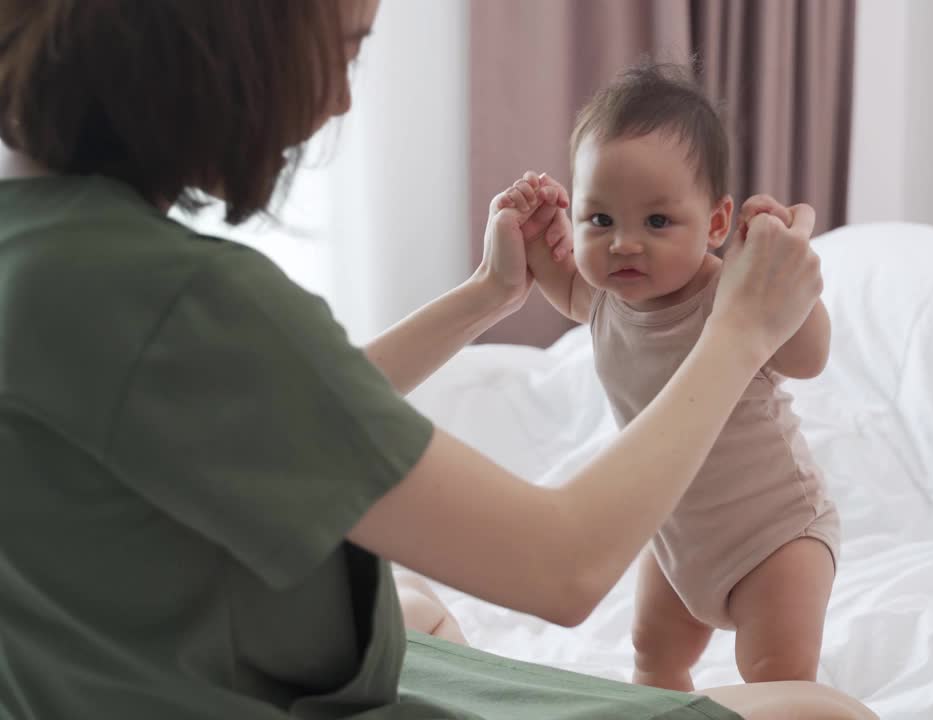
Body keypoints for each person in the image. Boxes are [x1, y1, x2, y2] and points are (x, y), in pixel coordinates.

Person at [0, 2, 876, 718]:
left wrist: (490, 295)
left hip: (147, 676)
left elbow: (279, 409)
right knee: (829, 716)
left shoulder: (42, 253)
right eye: (344, 52)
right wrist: (741, 332)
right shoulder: (184, 303)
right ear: (228, 41)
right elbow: (563, 569)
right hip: (242, 690)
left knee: (413, 606)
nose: (341, 103)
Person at [500, 62, 839, 692]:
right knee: (653, 656)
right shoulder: (598, 297)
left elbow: (809, 357)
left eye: (657, 222)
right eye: (600, 221)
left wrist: (785, 270)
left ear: (715, 224)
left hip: (775, 535)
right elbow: (549, 267)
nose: (624, 244)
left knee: (775, 678)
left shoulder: (734, 293)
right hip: (677, 536)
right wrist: (526, 220)